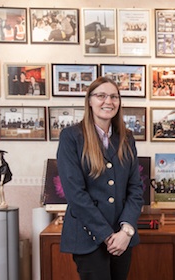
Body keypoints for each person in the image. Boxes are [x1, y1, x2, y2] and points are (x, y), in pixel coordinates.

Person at [56, 76, 144, 280]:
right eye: (101, 96)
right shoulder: (71, 137)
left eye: (114, 96)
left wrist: (126, 231)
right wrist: (107, 235)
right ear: (89, 100)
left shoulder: (126, 138)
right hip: (88, 236)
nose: (108, 101)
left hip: (122, 237)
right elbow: (75, 194)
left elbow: (135, 189)